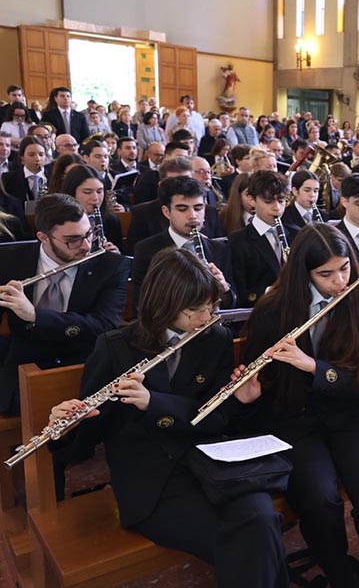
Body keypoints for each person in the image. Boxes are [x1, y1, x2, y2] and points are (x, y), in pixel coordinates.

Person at [48, 248, 288, 587]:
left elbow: (215, 419)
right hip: (151, 480)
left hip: (212, 462)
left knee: (262, 522)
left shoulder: (213, 337)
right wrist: (69, 426)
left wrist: (242, 401)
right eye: (195, 310)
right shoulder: (115, 346)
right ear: (164, 305)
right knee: (248, 541)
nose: (206, 317)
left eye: (211, 307)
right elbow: (89, 439)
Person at [238, 224, 359, 587]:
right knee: (321, 496)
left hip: (349, 413)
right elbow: (260, 378)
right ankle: (339, 572)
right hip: (294, 418)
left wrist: (312, 366)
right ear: (303, 272)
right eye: (325, 274)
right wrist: (250, 383)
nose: (339, 281)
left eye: (345, 268)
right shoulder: (273, 310)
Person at [0, 194, 129, 413]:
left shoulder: (112, 266)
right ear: (43, 237)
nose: (86, 246)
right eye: (73, 240)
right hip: (25, 362)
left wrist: (35, 316)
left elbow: (105, 325)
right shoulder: (9, 259)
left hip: (84, 363)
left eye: (89, 234)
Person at [131, 176, 235, 311]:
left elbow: (231, 305)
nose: (192, 216)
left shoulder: (219, 249)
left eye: (198, 208)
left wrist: (224, 289)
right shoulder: (147, 250)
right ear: (166, 212)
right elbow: (141, 306)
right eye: (182, 209)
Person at [229, 170, 290, 307]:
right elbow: (240, 292)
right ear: (252, 200)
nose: (277, 208)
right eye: (268, 201)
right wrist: (274, 291)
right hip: (261, 313)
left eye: (281, 201)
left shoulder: (296, 234)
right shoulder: (237, 242)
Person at [60, 165, 123, 252]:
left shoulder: (112, 220)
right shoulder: (58, 222)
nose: (95, 198)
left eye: (99, 191)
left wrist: (116, 254)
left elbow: (124, 255)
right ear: (72, 192)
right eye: (87, 192)